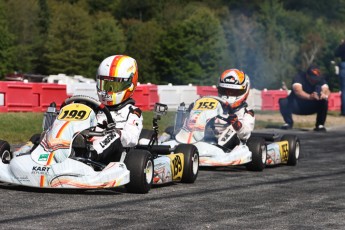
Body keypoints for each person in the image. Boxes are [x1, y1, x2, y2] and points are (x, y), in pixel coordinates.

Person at [91, 55, 143, 164]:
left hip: (115, 158)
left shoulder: (133, 112)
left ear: (129, 85)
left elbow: (132, 138)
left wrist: (118, 133)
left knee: (113, 136)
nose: (108, 91)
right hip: (88, 144)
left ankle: (92, 155)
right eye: (105, 84)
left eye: (114, 86)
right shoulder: (93, 109)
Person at [279, 64, 331, 131]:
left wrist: (324, 95)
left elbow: (327, 90)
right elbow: (298, 91)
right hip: (297, 105)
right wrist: (309, 97)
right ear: (307, 75)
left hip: (312, 106)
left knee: (324, 101)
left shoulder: (320, 79)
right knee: (283, 102)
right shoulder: (299, 77)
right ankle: (288, 123)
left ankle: (320, 125)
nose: (314, 81)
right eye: (312, 78)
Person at [213, 68, 255, 148]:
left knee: (231, 131)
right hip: (210, 138)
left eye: (233, 92)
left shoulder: (247, 111)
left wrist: (236, 124)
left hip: (233, 145)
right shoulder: (215, 106)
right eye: (225, 91)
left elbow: (246, 134)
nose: (228, 95)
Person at [334, 39, 345, 116]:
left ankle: (344, 111)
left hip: (343, 65)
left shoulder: (343, 46)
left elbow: (336, 53)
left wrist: (341, 45)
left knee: (344, 90)